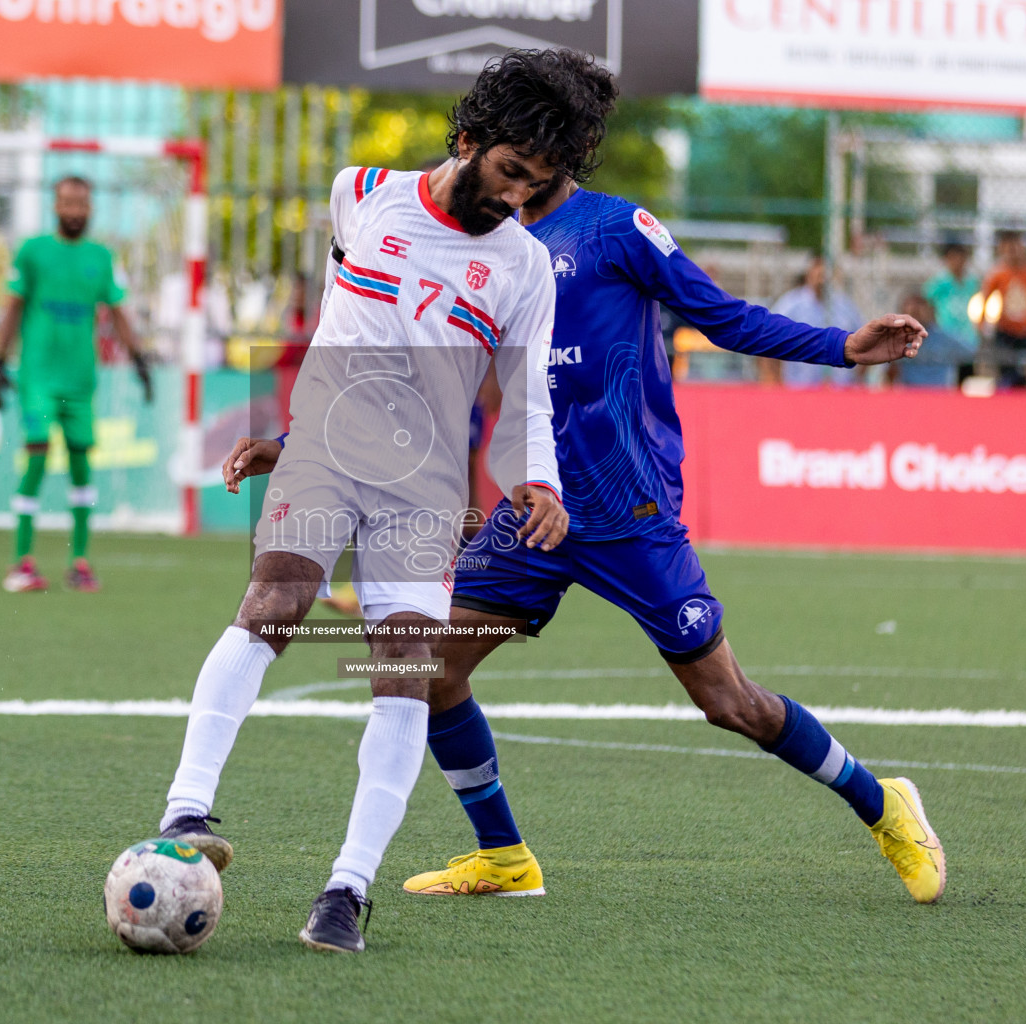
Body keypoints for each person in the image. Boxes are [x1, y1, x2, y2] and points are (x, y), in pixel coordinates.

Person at [357, 58, 937, 909]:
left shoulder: (617, 230)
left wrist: (841, 348)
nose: (522, 181)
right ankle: (504, 857)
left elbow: (722, 314)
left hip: (627, 505)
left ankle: (883, 803)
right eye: (514, 159)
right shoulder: (477, 246)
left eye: (543, 162)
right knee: (432, 667)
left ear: (569, 159)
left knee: (729, 702)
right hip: (534, 511)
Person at [151, 49, 601, 954]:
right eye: (512, 172)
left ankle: (346, 891)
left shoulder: (524, 269)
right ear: (468, 138)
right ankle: (187, 811)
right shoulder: (359, 191)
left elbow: (527, 402)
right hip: (326, 449)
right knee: (275, 601)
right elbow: (342, 323)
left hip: (424, 483)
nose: (517, 198)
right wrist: (295, 427)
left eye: (538, 186)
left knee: (405, 672)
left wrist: (539, 482)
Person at [0, 175, 153, 594]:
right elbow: (12, 308)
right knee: (39, 453)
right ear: (55, 206)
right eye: (67, 202)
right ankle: (21, 562)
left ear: (90, 208)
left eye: (81, 203)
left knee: (82, 466)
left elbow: (118, 313)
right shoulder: (32, 252)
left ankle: (79, 562)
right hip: (38, 378)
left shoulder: (101, 258)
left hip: (81, 382)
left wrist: (139, 360)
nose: (74, 210)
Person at [769, 255, 864, 387]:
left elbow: (862, 342)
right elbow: (771, 340)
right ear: (809, 273)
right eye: (818, 272)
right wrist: (775, 383)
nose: (822, 278)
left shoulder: (845, 306)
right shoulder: (790, 304)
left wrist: (857, 381)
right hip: (798, 389)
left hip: (839, 391)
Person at [980, 231, 1026, 388]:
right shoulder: (998, 274)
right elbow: (985, 299)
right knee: (1006, 372)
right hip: (1006, 332)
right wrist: (982, 323)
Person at [923, 242, 981, 377]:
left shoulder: (972, 282)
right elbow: (926, 302)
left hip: (968, 337)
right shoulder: (939, 283)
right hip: (946, 335)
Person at [891, 294, 972, 389]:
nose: (916, 317)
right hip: (909, 394)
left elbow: (970, 355)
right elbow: (889, 373)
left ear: (930, 311)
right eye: (912, 314)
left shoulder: (946, 338)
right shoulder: (897, 340)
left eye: (919, 310)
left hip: (940, 394)